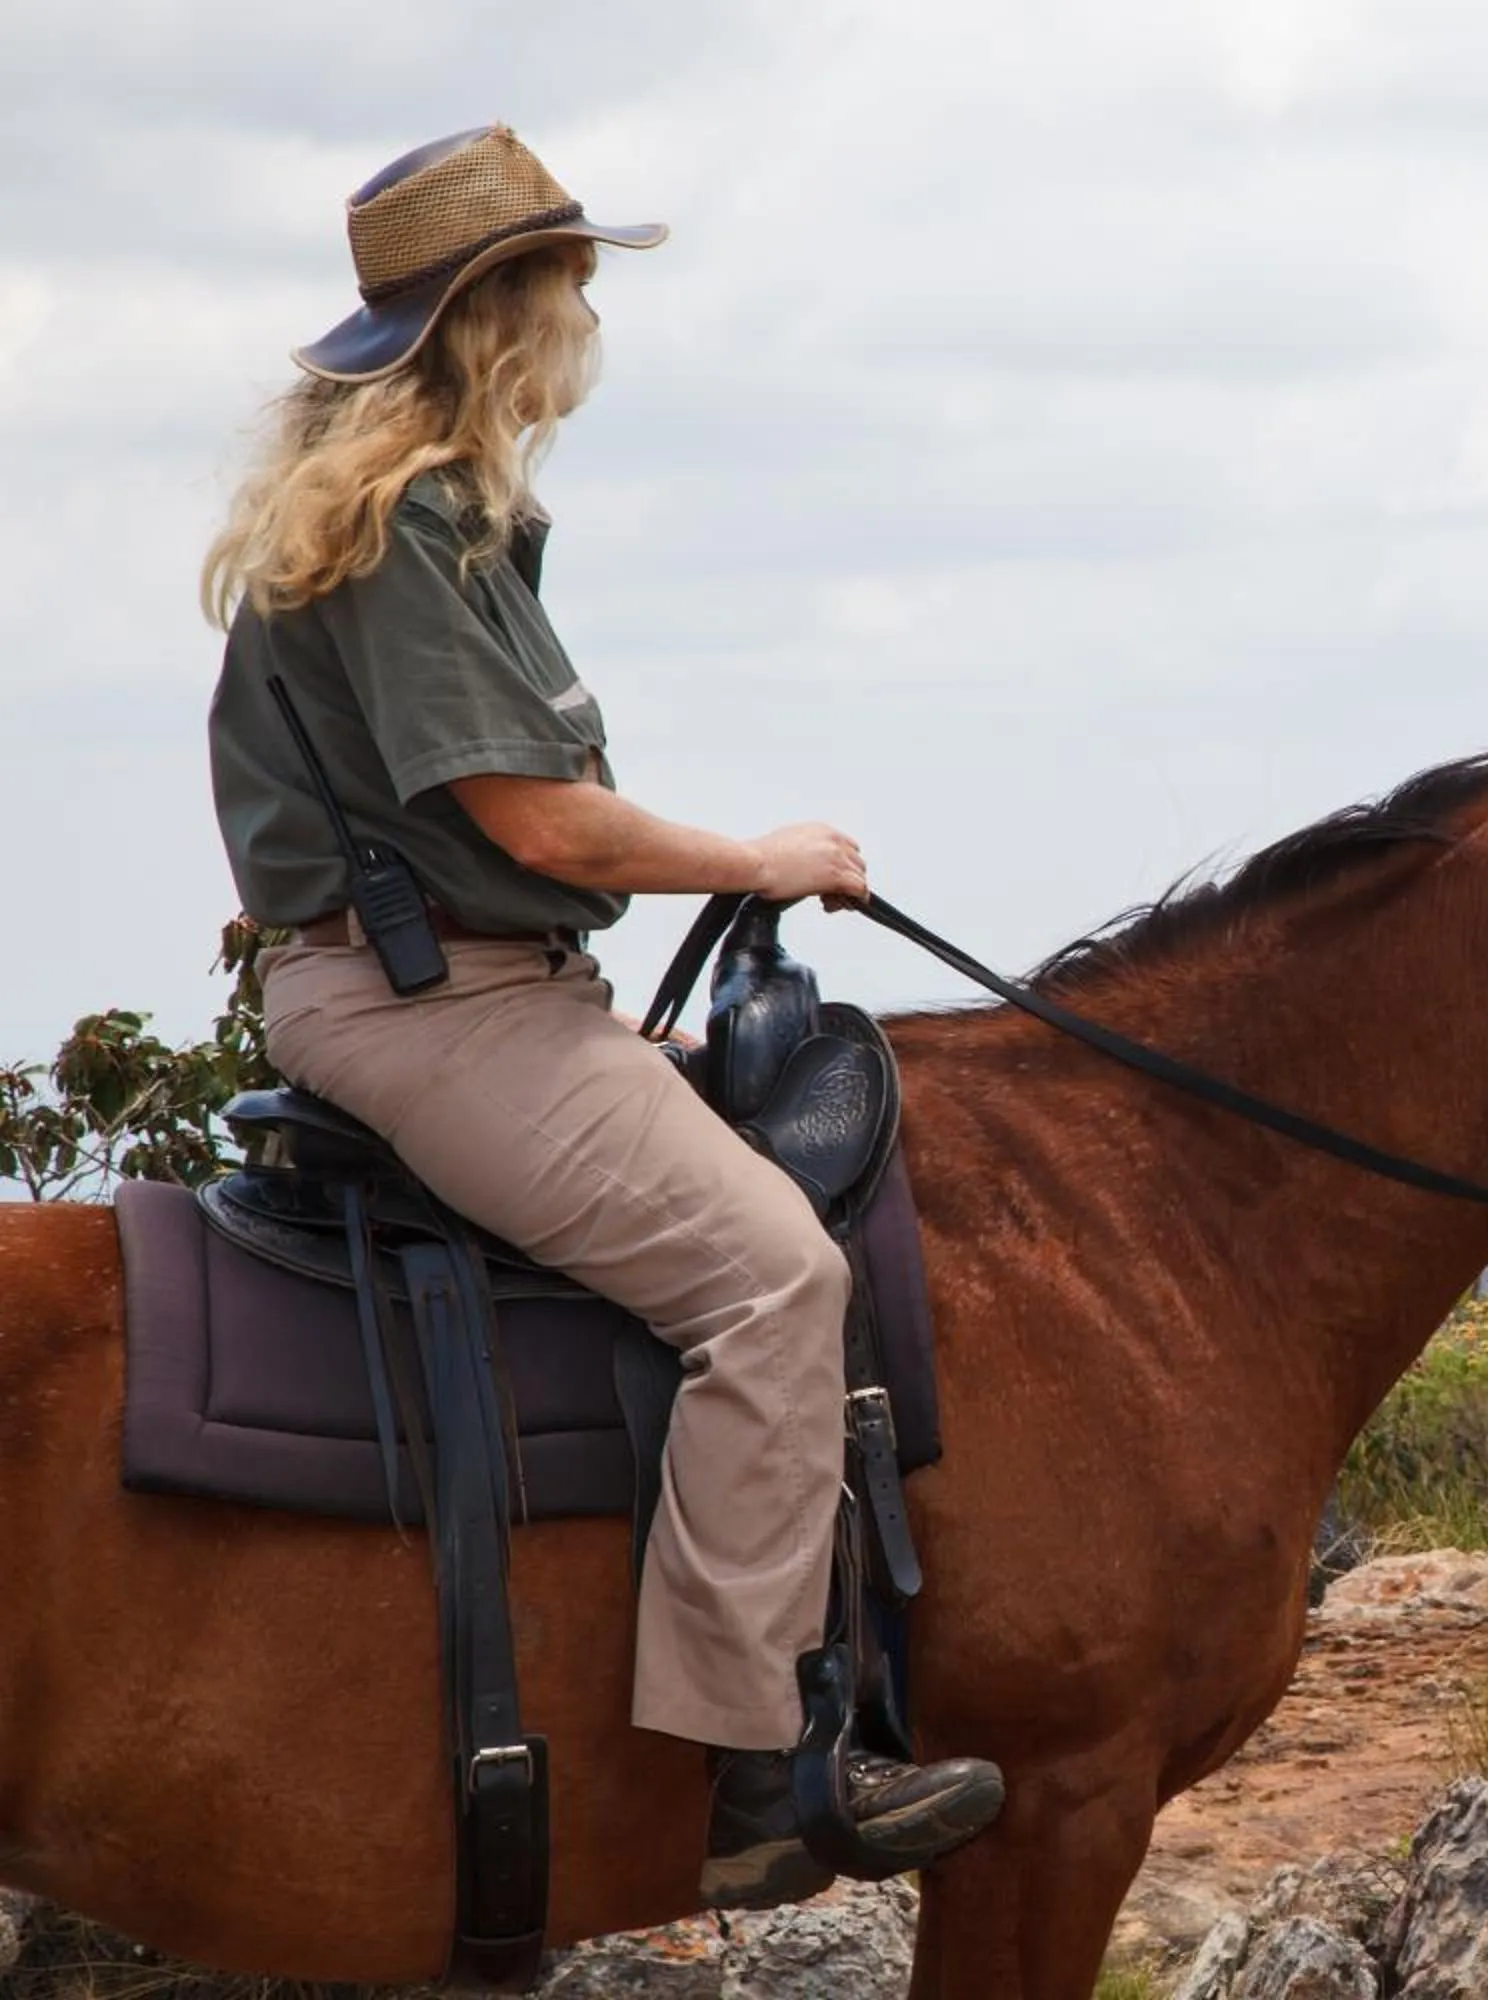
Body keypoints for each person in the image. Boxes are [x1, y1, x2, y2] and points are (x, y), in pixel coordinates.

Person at [200, 124, 1004, 1910]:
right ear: (505, 313)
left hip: (492, 993)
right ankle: (752, 1772)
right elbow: (538, 821)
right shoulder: (406, 526)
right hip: (438, 1014)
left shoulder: (431, 516)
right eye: (568, 286)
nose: (585, 323)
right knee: (774, 1280)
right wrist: (765, 854)